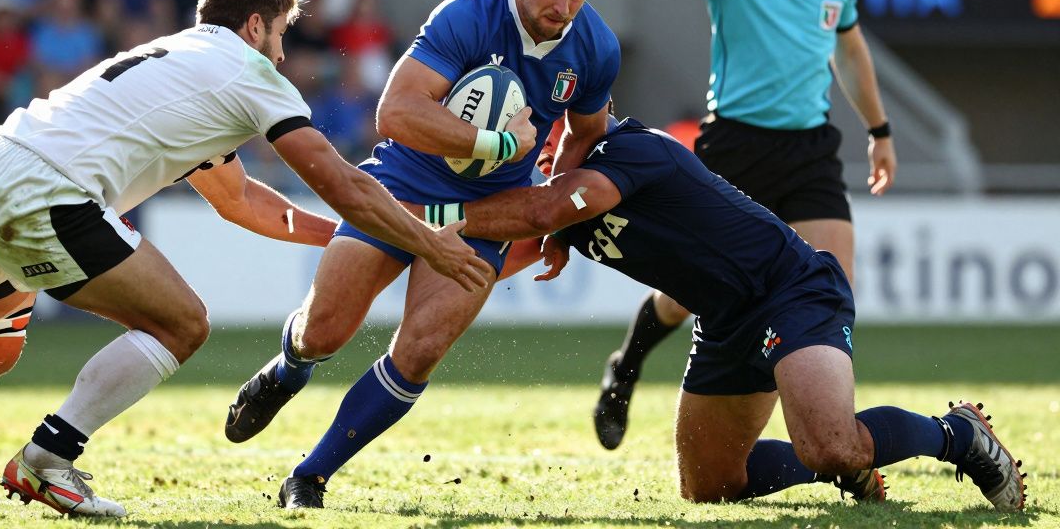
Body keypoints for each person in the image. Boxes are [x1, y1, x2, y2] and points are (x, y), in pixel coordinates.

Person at [0, 0, 490, 519]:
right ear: (254, 26)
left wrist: (345, 237)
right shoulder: (249, 75)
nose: (282, 53)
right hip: (47, 190)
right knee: (182, 323)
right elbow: (344, 182)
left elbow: (242, 202)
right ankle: (49, 460)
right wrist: (426, 244)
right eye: (281, 36)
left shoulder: (179, 60)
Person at [420, 115, 1026, 512]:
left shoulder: (624, 149)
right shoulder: (559, 204)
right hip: (724, 323)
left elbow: (537, 215)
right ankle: (851, 465)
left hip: (789, 288)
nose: (539, 144)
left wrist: (440, 216)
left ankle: (957, 435)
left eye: (542, 131)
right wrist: (394, 239)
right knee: (710, 488)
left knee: (830, 445)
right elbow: (489, 265)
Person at [224, 0, 622, 509]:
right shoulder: (468, 15)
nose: (563, 9)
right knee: (323, 331)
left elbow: (584, 136)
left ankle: (310, 475)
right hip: (404, 186)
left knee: (421, 348)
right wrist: (498, 143)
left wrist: (556, 218)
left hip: (489, 209)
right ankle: (288, 369)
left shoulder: (595, 48)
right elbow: (397, 113)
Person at [595, 0, 899, 450]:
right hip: (734, 149)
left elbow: (851, 50)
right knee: (686, 298)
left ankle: (830, 418)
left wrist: (880, 130)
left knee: (833, 285)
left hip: (809, 151)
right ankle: (625, 368)